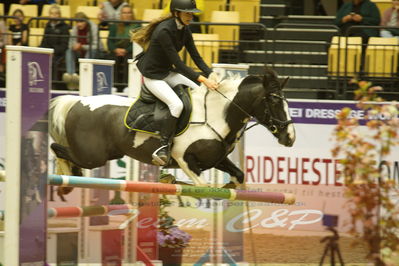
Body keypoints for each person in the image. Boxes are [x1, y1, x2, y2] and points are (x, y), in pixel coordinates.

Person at [132, 0, 219, 166]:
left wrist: (211, 73)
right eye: (188, 13)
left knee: (200, 92)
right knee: (176, 105)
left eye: (192, 13)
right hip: (153, 77)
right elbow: (179, 64)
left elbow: (196, 56)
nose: (191, 16)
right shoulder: (164, 31)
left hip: (167, 73)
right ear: (176, 13)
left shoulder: (184, 30)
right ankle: (164, 146)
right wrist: (203, 79)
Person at [63, 12, 100, 90]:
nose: (79, 24)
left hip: (94, 52)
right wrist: (74, 46)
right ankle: (71, 76)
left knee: (90, 51)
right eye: (77, 22)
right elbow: (70, 45)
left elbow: (95, 46)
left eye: (81, 22)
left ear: (86, 21)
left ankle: (83, 77)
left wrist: (81, 46)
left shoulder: (93, 27)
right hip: (79, 52)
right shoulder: (74, 29)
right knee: (68, 51)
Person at [107, 5, 140, 92]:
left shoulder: (137, 26)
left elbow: (137, 42)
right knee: (112, 59)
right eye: (124, 13)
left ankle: (126, 86)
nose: (127, 15)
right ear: (121, 14)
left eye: (129, 12)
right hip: (116, 51)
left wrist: (126, 50)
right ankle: (113, 85)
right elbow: (109, 41)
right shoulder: (114, 26)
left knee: (128, 60)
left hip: (130, 51)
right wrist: (115, 49)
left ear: (132, 14)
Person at [40, 4, 70, 89]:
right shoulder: (47, 26)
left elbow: (64, 45)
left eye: (56, 13)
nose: (54, 15)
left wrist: (53, 52)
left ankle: (53, 86)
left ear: (59, 15)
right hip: (48, 52)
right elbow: (44, 41)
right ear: (49, 15)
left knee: (53, 62)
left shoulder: (64, 27)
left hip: (59, 53)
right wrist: (42, 51)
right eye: (52, 13)